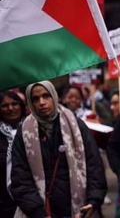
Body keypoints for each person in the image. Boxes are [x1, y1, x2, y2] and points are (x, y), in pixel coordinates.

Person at [10, 81, 107, 218]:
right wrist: (38, 212)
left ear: (54, 97)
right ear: (30, 103)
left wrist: (94, 200)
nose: (42, 102)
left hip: (77, 209)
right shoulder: (24, 132)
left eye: (46, 96)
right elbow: (20, 177)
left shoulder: (76, 125)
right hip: (42, 210)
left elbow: (94, 165)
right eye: (35, 99)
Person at [0, 91, 26, 217]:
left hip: (29, 200)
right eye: (5, 105)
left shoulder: (33, 130)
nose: (10, 108)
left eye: (14, 104)